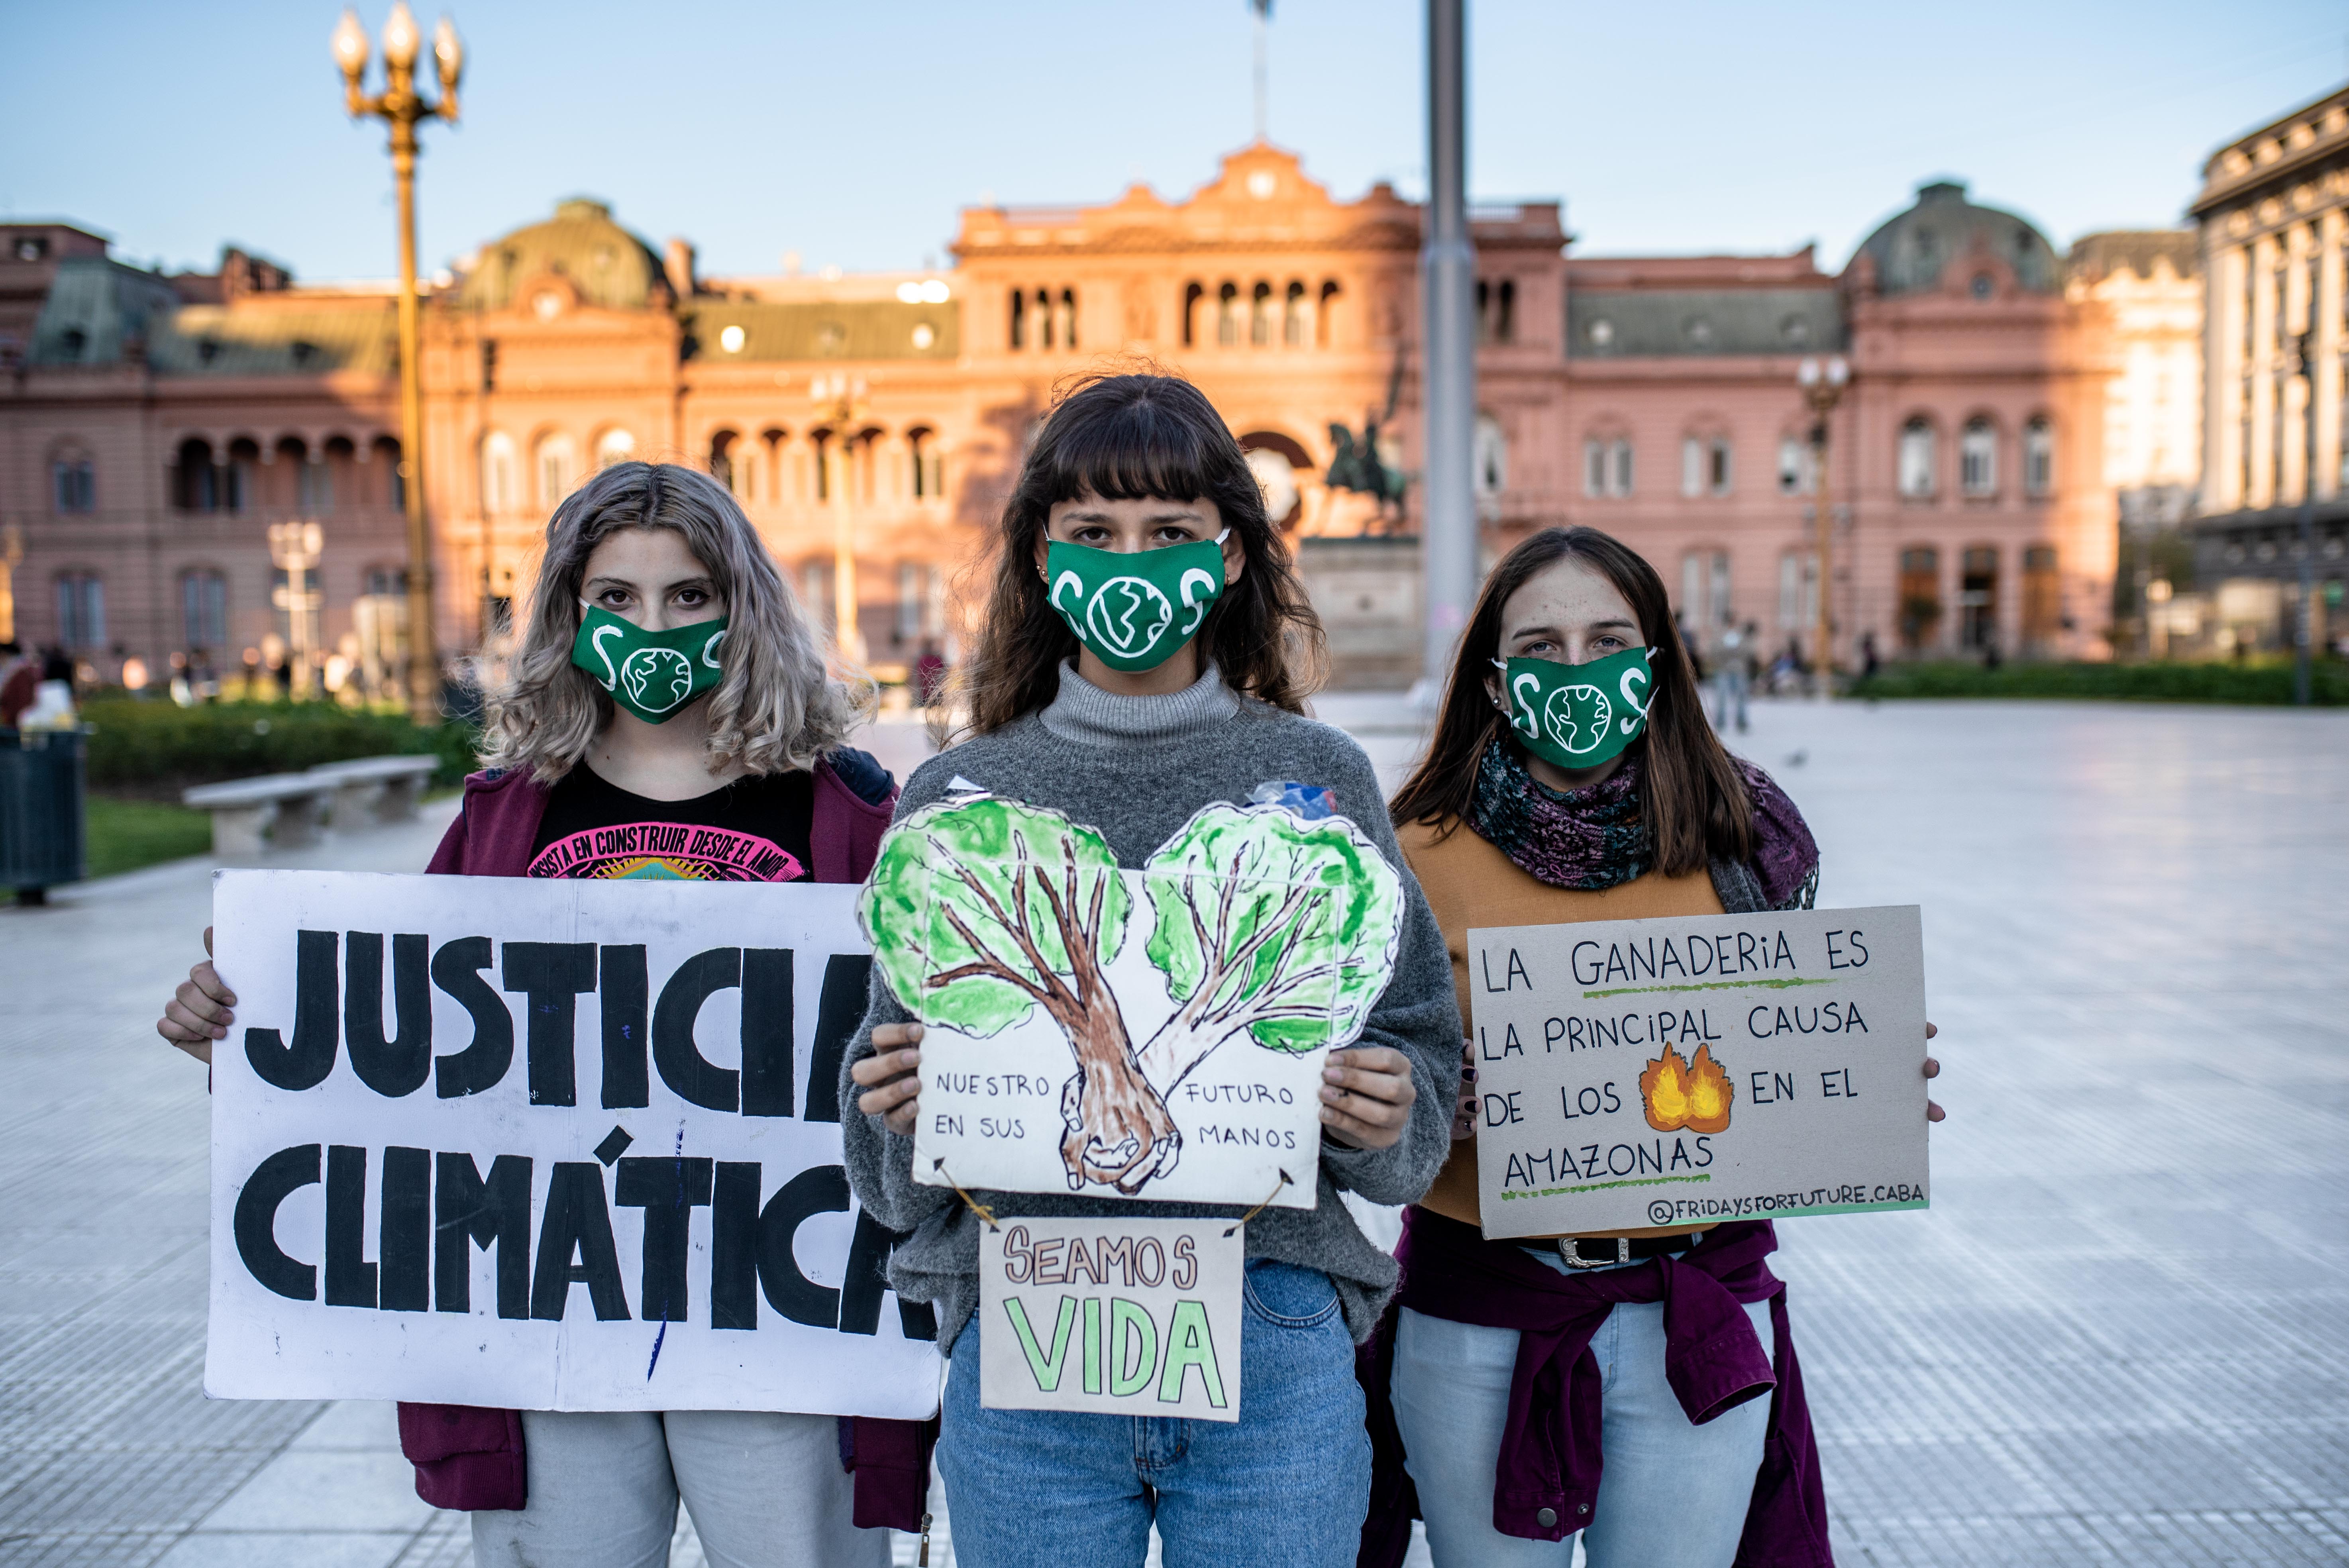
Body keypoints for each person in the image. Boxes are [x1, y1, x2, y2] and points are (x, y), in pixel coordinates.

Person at [155, 462, 924, 1568]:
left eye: (687, 595)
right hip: (556, 1314)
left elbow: (930, 1015)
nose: (650, 625)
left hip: (780, 1311)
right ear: (568, 611)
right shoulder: (506, 814)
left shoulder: (845, 808)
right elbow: (389, 1048)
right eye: (614, 597)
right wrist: (240, 1020)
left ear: (740, 604)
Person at [842, 372, 1460, 1568]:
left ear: (1231, 556)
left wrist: (1388, 1105)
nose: (1133, 565)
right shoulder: (961, 797)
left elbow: (1415, 1056)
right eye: (1093, 533)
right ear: (1040, 558)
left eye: (1170, 532)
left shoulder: (1317, 777)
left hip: (1269, 1335)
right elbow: (893, 1172)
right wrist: (892, 1102)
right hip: (1026, 1350)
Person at [1366, 526, 1942, 1567]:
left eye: (1606, 639)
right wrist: (1414, 1100)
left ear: (1656, 662)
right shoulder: (1409, 850)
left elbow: (1789, 1042)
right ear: (1493, 680)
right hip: (1480, 1316)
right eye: (1540, 645)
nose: (1575, 669)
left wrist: (1861, 1081)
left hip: (1697, 1315)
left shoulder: (1740, 835)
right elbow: (1355, 1077)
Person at [1709, 620, 1752, 734]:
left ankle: (1742, 722)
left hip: (1739, 670)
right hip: (1724, 670)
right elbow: (1714, 652)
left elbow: (1748, 652)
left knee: (1741, 698)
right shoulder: (1720, 636)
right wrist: (1725, 659)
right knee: (1721, 698)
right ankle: (1720, 722)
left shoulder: (1741, 636)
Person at [0, 639, 35, 727]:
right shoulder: (11, 672)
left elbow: (24, 700)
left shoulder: (20, 673)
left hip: (16, 723)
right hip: (12, 720)